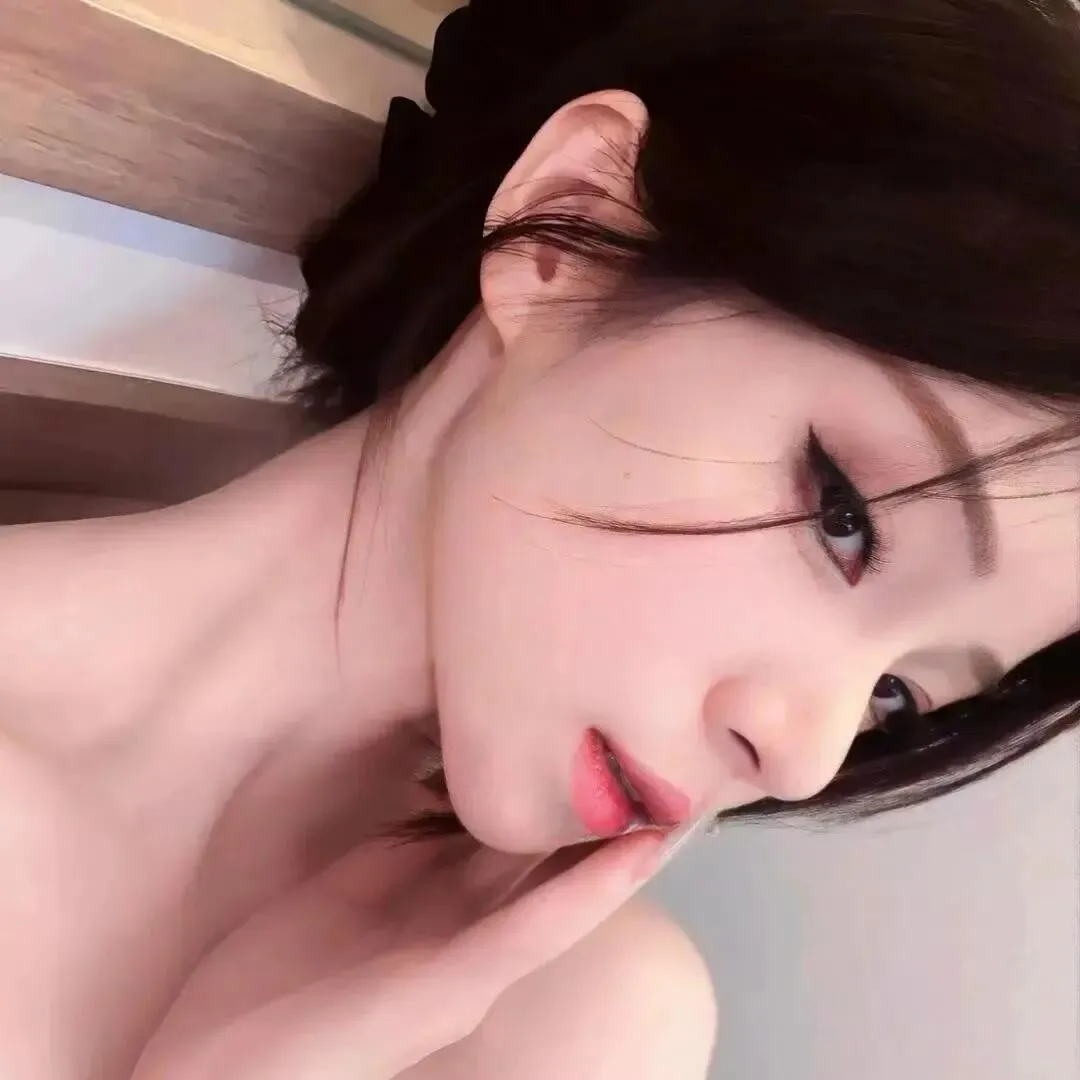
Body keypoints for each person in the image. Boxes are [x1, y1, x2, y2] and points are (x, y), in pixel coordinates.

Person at [3, 0, 1079, 1076]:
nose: (803, 759)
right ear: (569, 228)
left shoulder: (571, 1018)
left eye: (899, 697)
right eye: (846, 524)